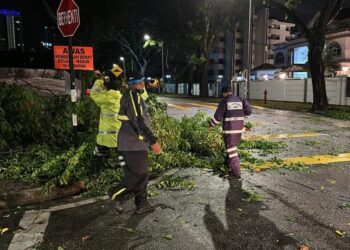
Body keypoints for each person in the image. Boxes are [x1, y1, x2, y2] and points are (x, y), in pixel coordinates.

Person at [109, 72, 162, 214]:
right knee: (139, 174)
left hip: (134, 144)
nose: (144, 84)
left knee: (142, 175)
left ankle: (142, 203)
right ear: (137, 83)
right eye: (142, 82)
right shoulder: (132, 96)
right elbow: (139, 120)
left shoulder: (133, 95)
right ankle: (115, 194)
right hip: (132, 144)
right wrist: (153, 141)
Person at [209, 86, 252, 178]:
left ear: (224, 93)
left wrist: (211, 125)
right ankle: (230, 168)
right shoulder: (241, 100)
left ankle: (236, 173)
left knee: (232, 151)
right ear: (231, 91)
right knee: (231, 149)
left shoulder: (224, 101)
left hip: (229, 130)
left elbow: (218, 117)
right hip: (239, 130)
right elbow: (248, 111)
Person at [89, 70, 122, 173]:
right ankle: (125, 173)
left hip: (104, 137)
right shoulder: (122, 99)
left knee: (98, 156)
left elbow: (93, 93)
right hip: (119, 136)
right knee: (122, 157)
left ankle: (95, 174)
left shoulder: (104, 99)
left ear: (106, 87)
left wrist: (99, 80)